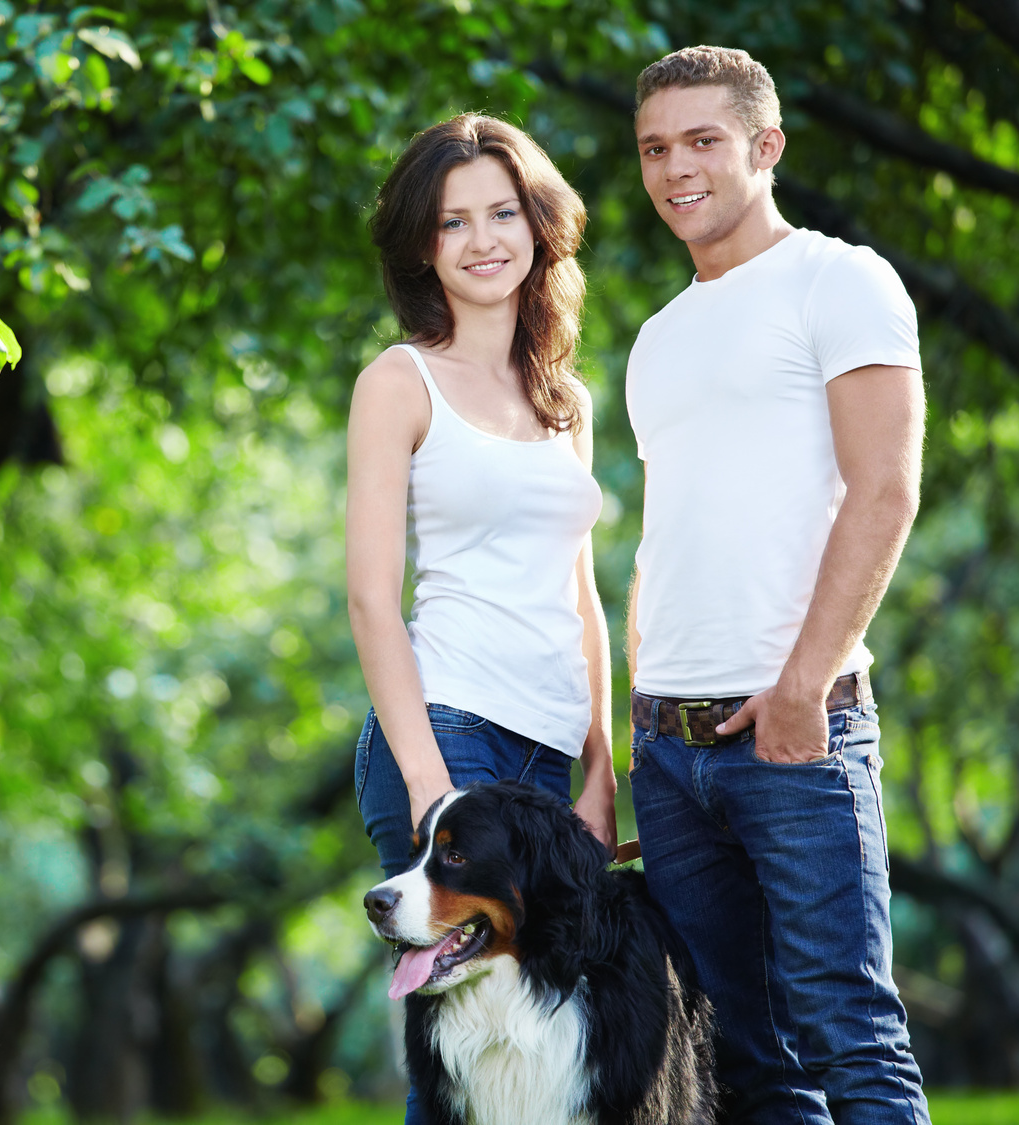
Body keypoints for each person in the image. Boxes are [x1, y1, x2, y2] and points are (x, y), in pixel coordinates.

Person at [624, 46, 930, 1125]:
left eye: (702, 141)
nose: (675, 170)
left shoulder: (837, 280)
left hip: (793, 733)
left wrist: (802, 685)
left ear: (765, 146)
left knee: (847, 1030)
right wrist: (639, 716)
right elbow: (676, 535)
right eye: (655, 148)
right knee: (739, 1061)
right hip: (667, 751)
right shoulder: (655, 339)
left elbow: (884, 488)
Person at [345, 113, 616, 1118]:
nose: (483, 239)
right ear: (424, 245)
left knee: (548, 1046)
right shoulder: (397, 381)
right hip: (446, 727)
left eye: (502, 213)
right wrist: (427, 783)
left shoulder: (565, 402)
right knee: (457, 1051)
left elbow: (578, 592)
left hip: (551, 756)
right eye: (453, 222)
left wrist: (598, 766)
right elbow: (371, 598)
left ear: (537, 227)